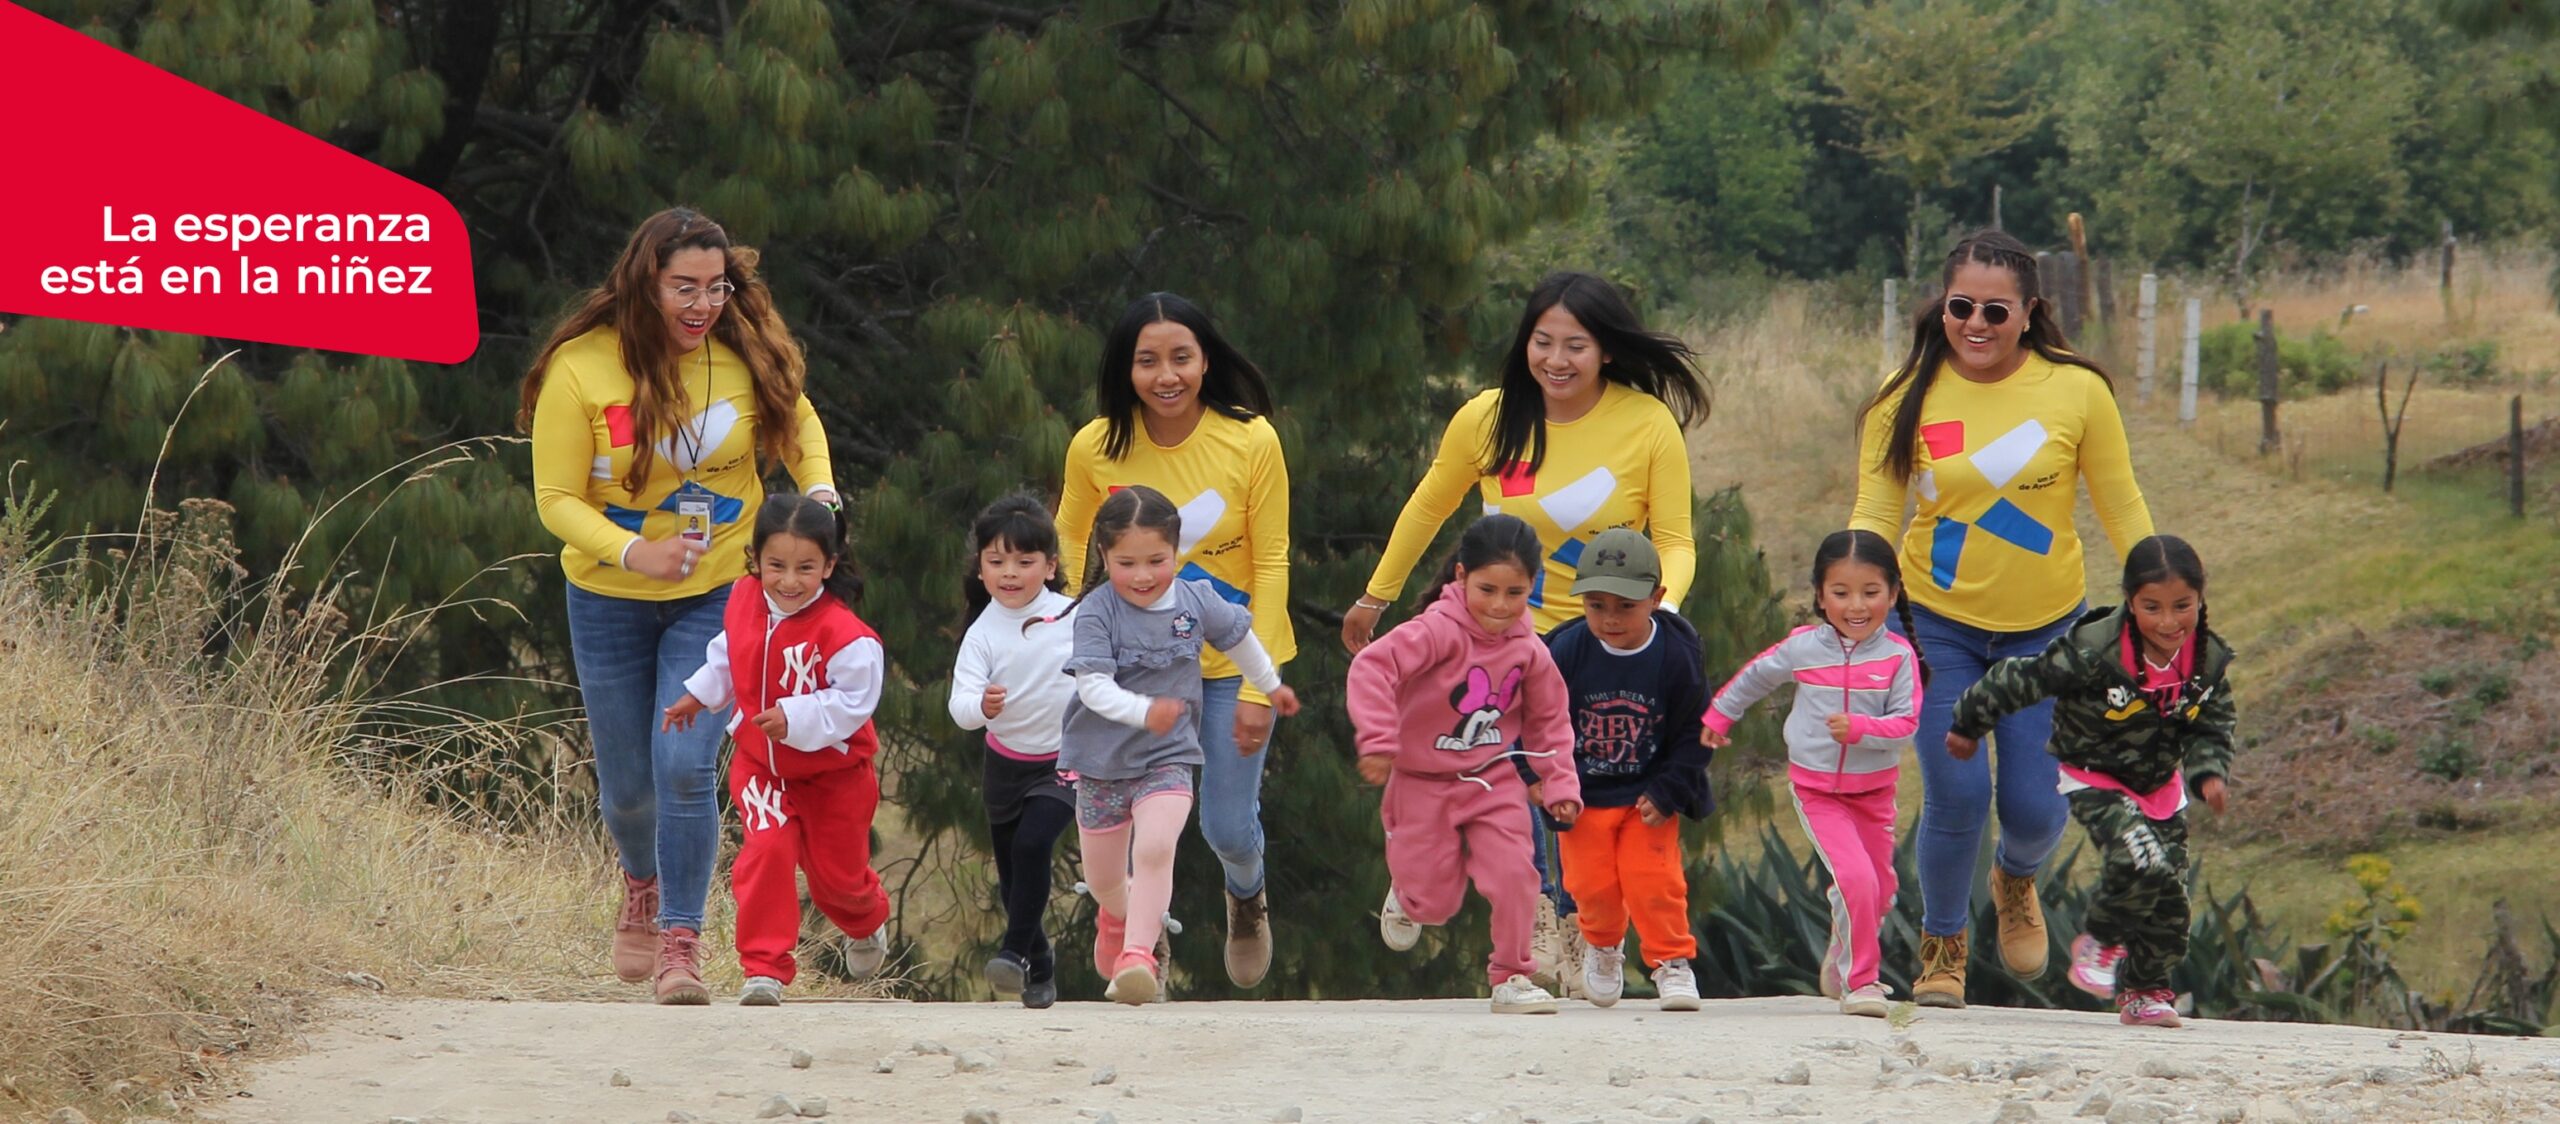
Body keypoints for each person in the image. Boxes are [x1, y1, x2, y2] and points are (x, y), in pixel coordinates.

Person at [1343, 271, 1711, 995]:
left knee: (1580, 782)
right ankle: (1514, 903)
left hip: (1598, 638)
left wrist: (1658, 610)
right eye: (1544, 342)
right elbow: (1426, 509)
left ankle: (1577, 926)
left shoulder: (1646, 425)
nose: (1557, 359)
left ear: (1606, 351)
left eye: (1576, 345)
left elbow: (1676, 540)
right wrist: (1376, 596)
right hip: (1500, 634)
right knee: (1501, 768)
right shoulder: (1487, 418)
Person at [520, 207, 840, 1004]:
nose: (701, 306)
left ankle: (683, 942)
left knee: (686, 765)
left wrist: (822, 490)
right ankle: (641, 883)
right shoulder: (582, 368)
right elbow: (556, 498)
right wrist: (637, 552)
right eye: (683, 288)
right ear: (644, 282)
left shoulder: (740, 353)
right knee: (629, 789)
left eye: (715, 287)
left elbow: (796, 419)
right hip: (609, 597)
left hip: (719, 593)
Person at [1848, 229, 2153, 1008]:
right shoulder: (1904, 394)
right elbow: (1877, 510)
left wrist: (2157, 583)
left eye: (1994, 309)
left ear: (2028, 313)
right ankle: (1943, 939)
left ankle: (2015, 878)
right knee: (1953, 793)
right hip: (1936, 624)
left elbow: (2118, 502)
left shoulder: (2076, 391)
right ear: (1940, 307)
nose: (1975, 323)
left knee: (2031, 805)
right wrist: (1856, 599)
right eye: (1960, 306)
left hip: (2046, 628)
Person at [1055, 293, 1294, 989]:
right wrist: (1069, 641)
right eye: (1147, 360)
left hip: (1224, 661)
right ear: (1124, 369)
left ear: (1205, 360)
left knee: (1224, 824)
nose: (1167, 375)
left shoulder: (1251, 440)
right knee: (1125, 826)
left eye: (1181, 358)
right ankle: (1141, 939)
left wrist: (1260, 684)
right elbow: (1071, 541)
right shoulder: (1094, 446)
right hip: (1129, 670)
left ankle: (1246, 895)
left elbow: (1274, 559)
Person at [1947, 535, 2234, 1028]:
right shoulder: (2094, 651)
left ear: (2200, 601)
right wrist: (1969, 723)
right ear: (2130, 602)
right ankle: (2100, 943)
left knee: (2168, 896)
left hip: (2158, 784)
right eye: (2152, 608)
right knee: (2136, 855)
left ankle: (2143, 991)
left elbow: (2212, 724)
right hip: (2094, 775)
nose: (2168, 622)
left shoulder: (2205, 662)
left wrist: (2208, 774)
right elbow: (2023, 677)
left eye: (2182, 607)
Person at [1058, 486, 1301, 1005]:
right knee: (1104, 879)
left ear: (1177, 552)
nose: (1143, 575)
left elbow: (1240, 638)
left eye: (1157, 560)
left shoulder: (1195, 599)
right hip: (1102, 764)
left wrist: (1269, 684)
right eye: (1126, 563)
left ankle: (1138, 957)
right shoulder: (1097, 612)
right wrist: (1143, 710)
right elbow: (1092, 687)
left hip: (1167, 758)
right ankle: (1114, 913)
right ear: (1103, 556)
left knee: (1155, 847)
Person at [1346, 514, 1585, 1015]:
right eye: (1487, 589)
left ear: (1532, 588)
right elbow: (1373, 667)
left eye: (1515, 593)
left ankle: (1512, 977)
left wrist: (1559, 781)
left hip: (1492, 780)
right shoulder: (1436, 631)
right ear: (1460, 577)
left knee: (1518, 875)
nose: (1499, 606)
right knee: (1433, 902)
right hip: (1421, 780)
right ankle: (1408, 895)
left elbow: (1550, 721)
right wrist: (1379, 739)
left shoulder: (1529, 651)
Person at [662, 494, 887, 1007]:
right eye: (776, 566)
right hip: (761, 765)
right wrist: (699, 694)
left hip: (835, 775)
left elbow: (854, 703)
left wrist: (796, 717)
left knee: (838, 882)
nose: (789, 581)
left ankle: (866, 918)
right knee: (766, 852)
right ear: (755, 560)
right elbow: (728, 655)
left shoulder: (849, 637)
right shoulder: (743, 597)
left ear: (829, 566)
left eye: (806, 568)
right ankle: (763, 969)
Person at [1702, 529, 1925, 1018]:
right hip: (1818, 790)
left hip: (1875, 793)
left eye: (1870, 592)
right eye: (1840, 593)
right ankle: (1862, 981)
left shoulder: (1898, 658)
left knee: (1880, 889)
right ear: (1820, 595)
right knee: (1855, 879)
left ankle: (1841, 954)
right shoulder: (1804, 648)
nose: (1856, 606)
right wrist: (1720, 715)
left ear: (1892, 591)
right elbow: (1757, 675)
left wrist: (1861, 729)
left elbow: (1906, 726)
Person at [1543, 528, 1712, 1012]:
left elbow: (1697, 731)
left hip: (1648, 794)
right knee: (1589, 885)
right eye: (1596, 605)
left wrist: (1670, 789)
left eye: (1625, 606)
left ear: (1657, 598)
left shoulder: (1677, 656)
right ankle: (1602, 947)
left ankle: (1672, 962)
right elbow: (1538, 720)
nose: (1610, 618)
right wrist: (1550, 781)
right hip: (1582, 794)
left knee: (1653, 879)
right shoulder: (1566, 652)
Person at [947, 494, 1078, 1009]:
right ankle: (1039, 964)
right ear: (979, 568)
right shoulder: (981, 635)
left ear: (1049, 567)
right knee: (1012, 882)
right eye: (996, 561)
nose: (1010, 573)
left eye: (1025, 562)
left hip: (1064, 762)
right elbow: (959, 706)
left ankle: (1012, 952)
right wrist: (983, 705)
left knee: (1032, 846)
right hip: (1005, 766)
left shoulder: (1073, 615)